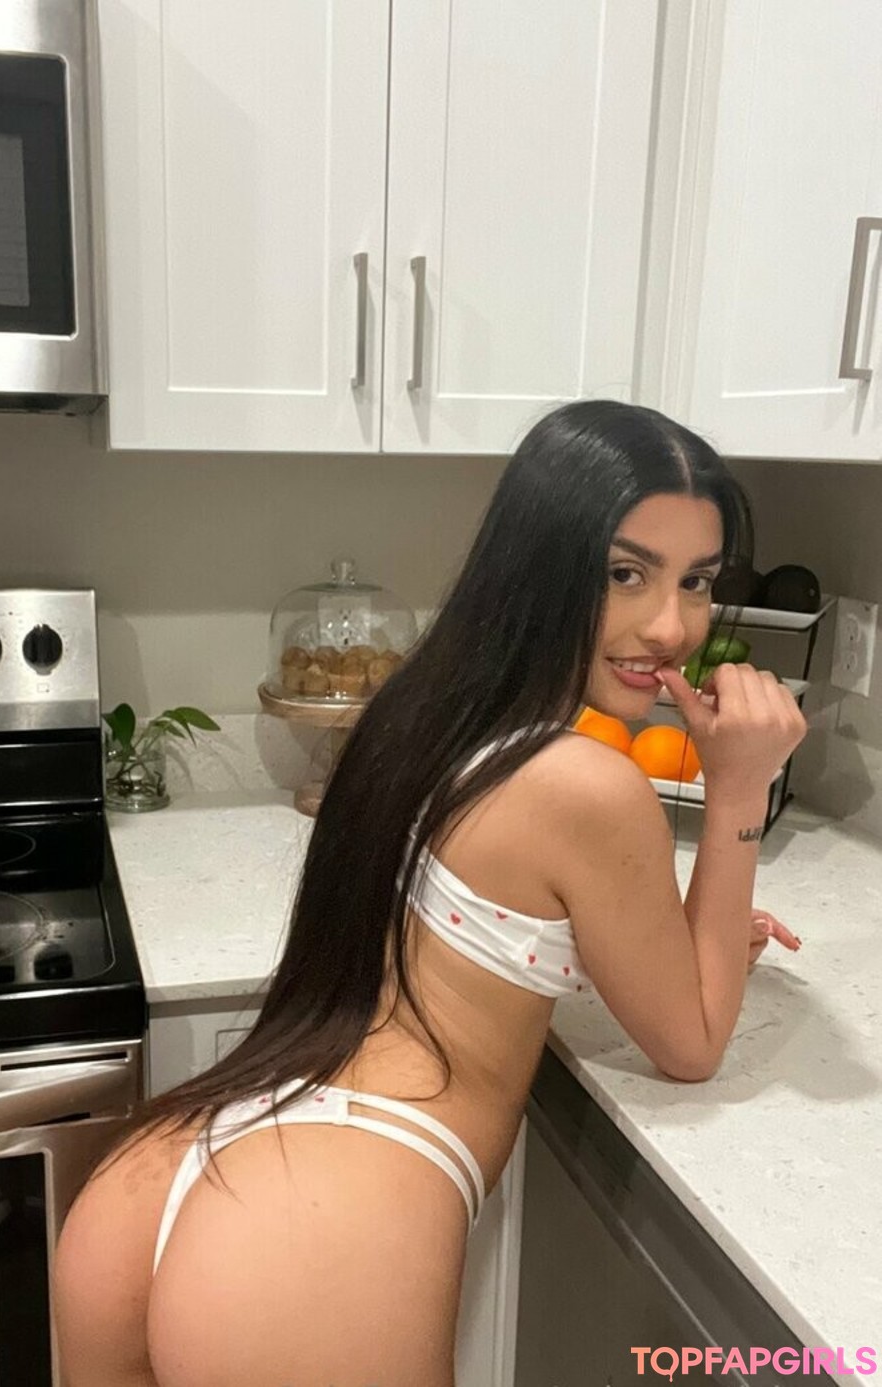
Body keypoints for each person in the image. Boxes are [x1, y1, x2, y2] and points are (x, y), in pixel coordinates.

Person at [54, 400, 807, 1387]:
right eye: (625, 573)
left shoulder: (425, 714)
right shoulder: (588, 783)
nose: (670, 626)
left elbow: (494, 928)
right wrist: (740, 787)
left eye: (697, 581)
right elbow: (693, 1040)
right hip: (327, 1235)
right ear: (540, 566)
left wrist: (683, 937)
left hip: (176, 1169)